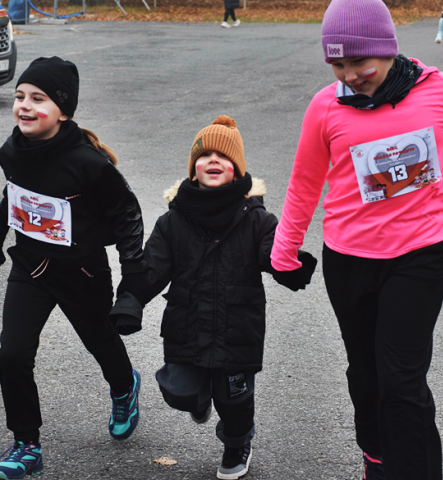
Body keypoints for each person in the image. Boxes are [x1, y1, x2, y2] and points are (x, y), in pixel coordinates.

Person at [270, 0, 443, 480]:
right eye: (338, 67)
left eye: (361, 65)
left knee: (401, 378)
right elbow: (304, 184)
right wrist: (283, 252)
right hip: (348, 259)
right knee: (365, 375)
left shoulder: (439, 90)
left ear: (387, 51)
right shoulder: (325, 108)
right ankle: (376, 456)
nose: (350, 76)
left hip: (420, 255)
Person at [109, 115, 317, 480]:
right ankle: (198, 399)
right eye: (204, 156)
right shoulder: (172, 222)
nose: (213, 162)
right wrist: (130, 299)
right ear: (193, 169)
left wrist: (291, 265)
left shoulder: (257, 219)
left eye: (224, 157)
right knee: (178, 390)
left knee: (234, 400)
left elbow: (274, 254)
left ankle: (237, 444)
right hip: (187, 326)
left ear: (237, 170)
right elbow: (151, 267)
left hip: (238, 329)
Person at [0, 57, 146, 480]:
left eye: (38, 98)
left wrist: (132, 278)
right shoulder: (11, 150)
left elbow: (127, 213)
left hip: (82, 272)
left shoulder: (88, 163)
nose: (25, 106)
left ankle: (125, 385)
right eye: (19, 97)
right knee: (12, 353)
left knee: (101, 342)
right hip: (31, 268)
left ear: (63, 110)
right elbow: (14, 194)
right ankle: (26, 445)